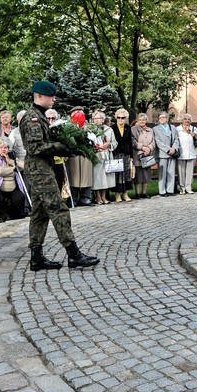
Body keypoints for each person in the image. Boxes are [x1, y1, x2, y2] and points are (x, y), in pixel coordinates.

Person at [19, 80, 99, 270]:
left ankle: (36, 258)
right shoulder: (32, 118)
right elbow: (35, 147)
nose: (54, 99)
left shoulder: (39, 116)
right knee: (58, 208)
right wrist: (59, 147)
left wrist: (66, 147)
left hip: (43, 168)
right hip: (39, 170)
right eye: (51, 96)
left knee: (39, 213)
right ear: (39, 96)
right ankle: (73, 254)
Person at [0, 136, 27, 220]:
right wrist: (13, 168)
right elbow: (0, 172)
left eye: (6, 147)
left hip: (13, 188)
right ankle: (1, 217)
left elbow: (24, 166)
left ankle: (15, 216)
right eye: (1, 147)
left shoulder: (10, 157)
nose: (3, 149)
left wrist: (11, 161)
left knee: (19, 196)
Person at [65, 106, 93, 206]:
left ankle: (85, 198)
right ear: (72, 114)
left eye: (81, 112)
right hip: (74, 155)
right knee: (73, 177)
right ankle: (73, 199)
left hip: (86, 155)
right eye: (77, 112)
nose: (79, 114)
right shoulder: (68, 125)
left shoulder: (88, 126)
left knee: (86, 177)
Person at [90, 110, 117, 204]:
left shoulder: (109, 130)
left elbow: (115, 142)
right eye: (95, 118)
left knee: (106, 177)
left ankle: (104, 197)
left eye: (99, 118)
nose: (97, 120)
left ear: (103, 119)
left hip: (107, 155)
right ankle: (97, 197)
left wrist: (108, 145)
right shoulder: (90, 129)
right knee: (97, 177)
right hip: (97, 155)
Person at [153, 112, 180, 196]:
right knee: (162, 173)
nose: (161, 119)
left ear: (167, 119)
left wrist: (174, 148)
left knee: (171, 172)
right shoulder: (155, 129)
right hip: (162, 153)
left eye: (163, 117)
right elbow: (158, 142)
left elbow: (176, 139)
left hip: (172, 153)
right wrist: (168, 149)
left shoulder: (172, 127)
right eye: (160, 117)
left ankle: (170, 190)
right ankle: (162, 191)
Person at [175, 113, 197, 195]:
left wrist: (195, 135)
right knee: (181, 172)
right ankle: (181, 188)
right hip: (181, 154)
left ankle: (188, 188)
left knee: (189, 172)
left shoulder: (193, 128)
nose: (187, 120)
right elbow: (174, 140)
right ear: (182, 120)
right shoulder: (177, 129)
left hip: (191, 153)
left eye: (189, 119)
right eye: (185, 119)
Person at [110, 108, 133, 202]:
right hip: (116, 153)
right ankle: (117, 194)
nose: (120, 119)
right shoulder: (113, 128)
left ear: (126, 118)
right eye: (118, 117)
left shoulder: (128, 127)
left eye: (122, 118)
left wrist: (131, 156)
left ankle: (125, 193)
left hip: (126, 153)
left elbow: (130, 142)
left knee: (126, 174)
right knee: (118, 174)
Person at [130, 113, 155, 199]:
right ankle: (137, 193)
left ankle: (144, 193)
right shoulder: (133, 129)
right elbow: (133, 141)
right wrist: (142, 147)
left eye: (144, 120)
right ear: (137, 120)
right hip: (137, 154)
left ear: (146, 121)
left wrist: (149, 148)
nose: (142, 121)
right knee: (137, 175)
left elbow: (153, 141)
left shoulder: (150, 130)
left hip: (147, 155)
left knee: (146, 174)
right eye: (140, 120)